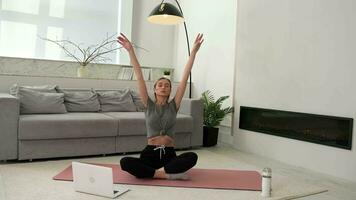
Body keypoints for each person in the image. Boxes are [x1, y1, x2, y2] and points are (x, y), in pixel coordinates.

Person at [117, 33, 204, 180]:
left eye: (167, 86)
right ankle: (166, 175)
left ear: (170, 90)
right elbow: (139, 76)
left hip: (169, 154)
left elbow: (184, 77)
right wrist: (130, 50)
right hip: (150, 153)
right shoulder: (148, 105)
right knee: (124, 162)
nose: (164, 87)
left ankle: (153, 173)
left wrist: (193, 52)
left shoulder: (173, 106)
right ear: (155, 89)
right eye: (160, 85)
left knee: (192, 156)